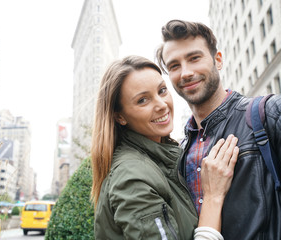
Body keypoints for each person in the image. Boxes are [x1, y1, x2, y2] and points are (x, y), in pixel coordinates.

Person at [156, 19, 281, 240]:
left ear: (218, 60)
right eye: (174, 66)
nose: (185, 73)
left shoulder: (269, 113)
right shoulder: (180, 151)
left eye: (194, 58)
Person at [91, 55, 239, 240]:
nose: (162, 105)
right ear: (120, 117)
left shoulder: (163, 156)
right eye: (143, 100)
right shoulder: (132, 178)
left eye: (162, 90)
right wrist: (213, 197)